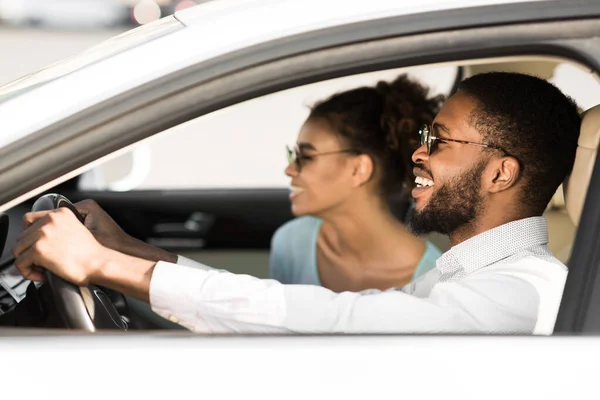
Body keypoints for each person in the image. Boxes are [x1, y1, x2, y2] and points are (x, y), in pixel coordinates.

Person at [13, 72, 581, 334]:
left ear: (501, 173)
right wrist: (129, 251)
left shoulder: (522, 293)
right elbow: (308, 318)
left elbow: (335, 320)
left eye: (440, 140)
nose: (418, 153)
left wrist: (108, 267)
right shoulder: (468, 279)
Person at [270, 74, 444, 292]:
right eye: (292, 155)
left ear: (359, 170)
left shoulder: (433, 281)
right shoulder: (291, 244)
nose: (289, 169)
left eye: (306, 157)